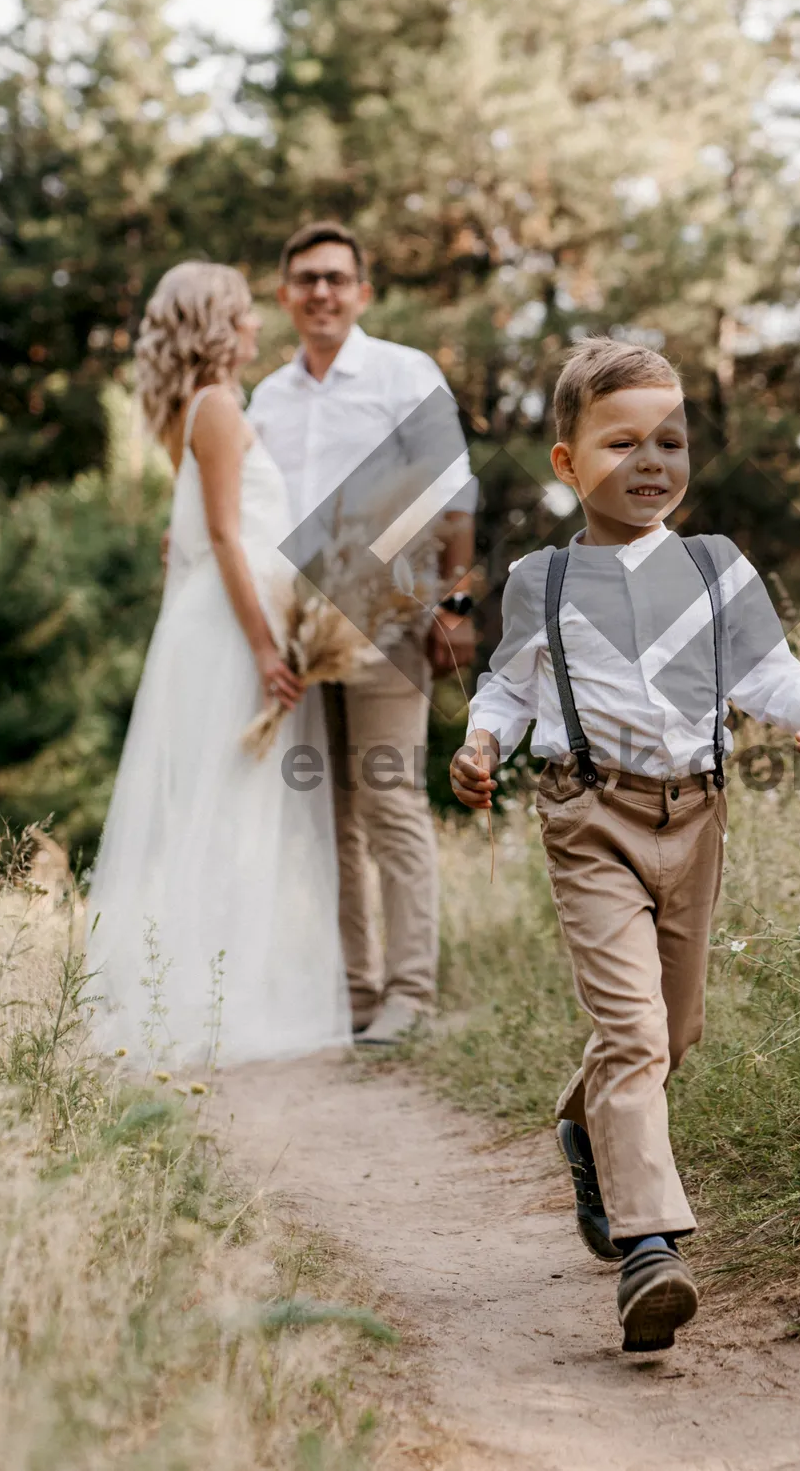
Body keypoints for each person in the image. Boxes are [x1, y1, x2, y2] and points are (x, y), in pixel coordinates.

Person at [449, 337, 800, 1353]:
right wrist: (483, 735)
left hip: (699, 817)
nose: (650, 461)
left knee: (673, 1034)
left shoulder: (717, 568)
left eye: (668, 440)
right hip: (589, 817)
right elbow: (507, 680)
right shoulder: (541, 580)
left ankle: (588, 1125)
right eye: (620, 440)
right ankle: (649, 1251)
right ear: (567, 462)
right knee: (632, 1034)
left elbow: (764, 670)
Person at [87, 262, 350, 1068]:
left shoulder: (188, 407)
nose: (254, 327)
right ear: (213, 326)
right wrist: (269, 647)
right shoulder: (219, 406)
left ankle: (205, 992)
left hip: (213, 618)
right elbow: (232, 536)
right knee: (226, 813)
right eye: (240, 315)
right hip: (234, 629)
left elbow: (199, 534)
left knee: (218, 808)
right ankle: (207, 1005)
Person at [249, 221, 477, 1046]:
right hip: (299, 627)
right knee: (327, 813)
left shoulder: (401, 373)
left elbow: (455, 493)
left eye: (337, 279)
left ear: (362, 293)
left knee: (389, 800)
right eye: (306, 279)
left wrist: (456, 607)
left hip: (387, 611)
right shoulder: (267, 397)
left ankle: (411, 993)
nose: (321, 292)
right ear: (284, 296)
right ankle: (353, 996)